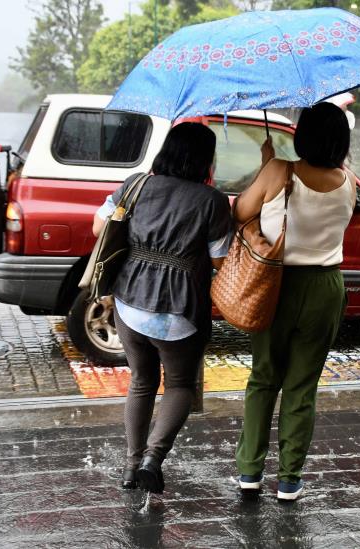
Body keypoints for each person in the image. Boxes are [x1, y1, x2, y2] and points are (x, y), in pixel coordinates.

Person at [91, 122, 231, 494]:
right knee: (180, 383)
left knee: (141, 381)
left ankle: (130, 466)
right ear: (206, 160)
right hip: (180, 310)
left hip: (130, 300)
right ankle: (154, 457)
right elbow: (220, 260)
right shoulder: (212, 202)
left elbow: (98, 228)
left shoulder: (137, 184)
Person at [234, 102, 356, 501]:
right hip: (325, 287)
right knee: (302, 386)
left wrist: (267, 164)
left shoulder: (278, 171)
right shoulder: (349, 182)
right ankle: (290, 479)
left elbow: (240, 210)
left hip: (277, 284)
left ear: (301, 135)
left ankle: (250, 471)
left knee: (264, 377)